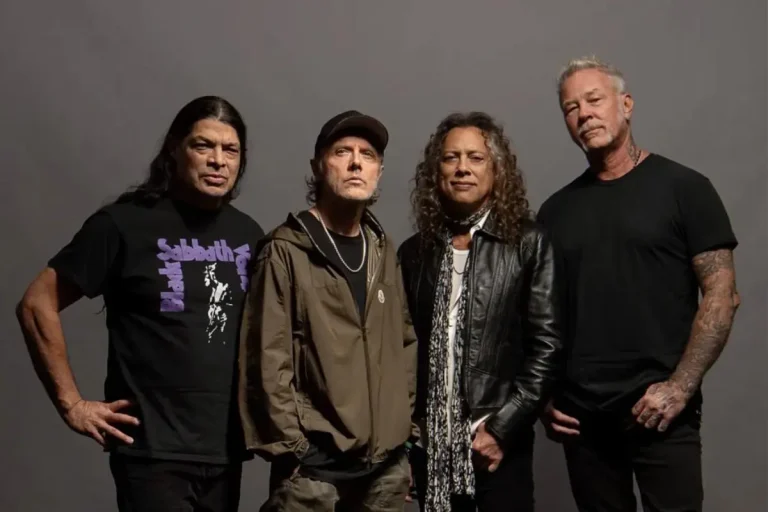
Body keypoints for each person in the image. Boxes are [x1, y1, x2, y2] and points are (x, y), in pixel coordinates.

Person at [16, 96, 264, 511]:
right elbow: (36, 303)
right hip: (152, 452)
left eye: (230, 149)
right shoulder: (124, 224)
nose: (218, 160)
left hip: (225, 451)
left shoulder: (248, 234)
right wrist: (72, 404)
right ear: (175, 150)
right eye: (203, 145)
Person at [537, 56, 741, 512]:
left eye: (594, 100)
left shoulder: (686, 189)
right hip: (583, 420)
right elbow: (542, 316)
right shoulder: (554, 213)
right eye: (571, 108)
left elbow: (722, 295)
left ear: (625, 104)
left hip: (663, 412)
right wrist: (544, 396)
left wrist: (680, 387)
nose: (584, 114)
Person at [238, 110, 418, 511]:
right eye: (342, 152)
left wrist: (401, 434)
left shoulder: (383, 250)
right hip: (314, 473)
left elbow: (404, 343)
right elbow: (267, 359)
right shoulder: (285, 250)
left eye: (367, 155)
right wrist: (296, 449)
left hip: (385, 471)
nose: (356, 163)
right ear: (318, 166)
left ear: (379, 171)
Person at [398, 111, 563, 512]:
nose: (462, 168)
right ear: (436, 172)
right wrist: (402, 446)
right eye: (450, 158)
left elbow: (547, 348)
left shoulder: (528, 243)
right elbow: (399, 353)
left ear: (496, 169)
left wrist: (502, 430)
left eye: (476, 157)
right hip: (429, 448)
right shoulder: (414, 253)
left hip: (497, 444)